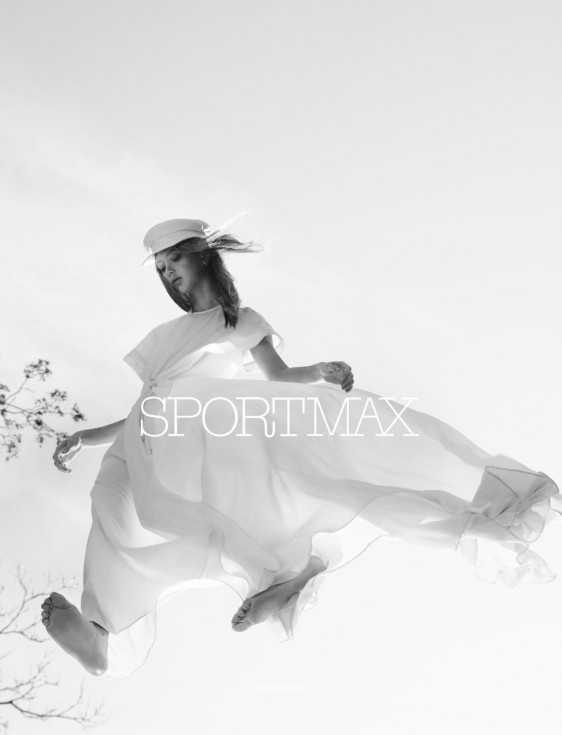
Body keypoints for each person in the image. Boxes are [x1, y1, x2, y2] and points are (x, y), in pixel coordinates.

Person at [43, 218, 562, 679]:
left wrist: (321, 371)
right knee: (107, 506)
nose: (168, 274)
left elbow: (279, 375)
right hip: (141, 436)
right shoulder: (166, 333)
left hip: (188, 429)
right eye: (160, 269)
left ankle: (283, 574)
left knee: (198, 512)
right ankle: (99, 635)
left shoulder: (240, 321)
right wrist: (87, 437)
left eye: (173, 259)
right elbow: (142, 405)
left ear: (201, 255)